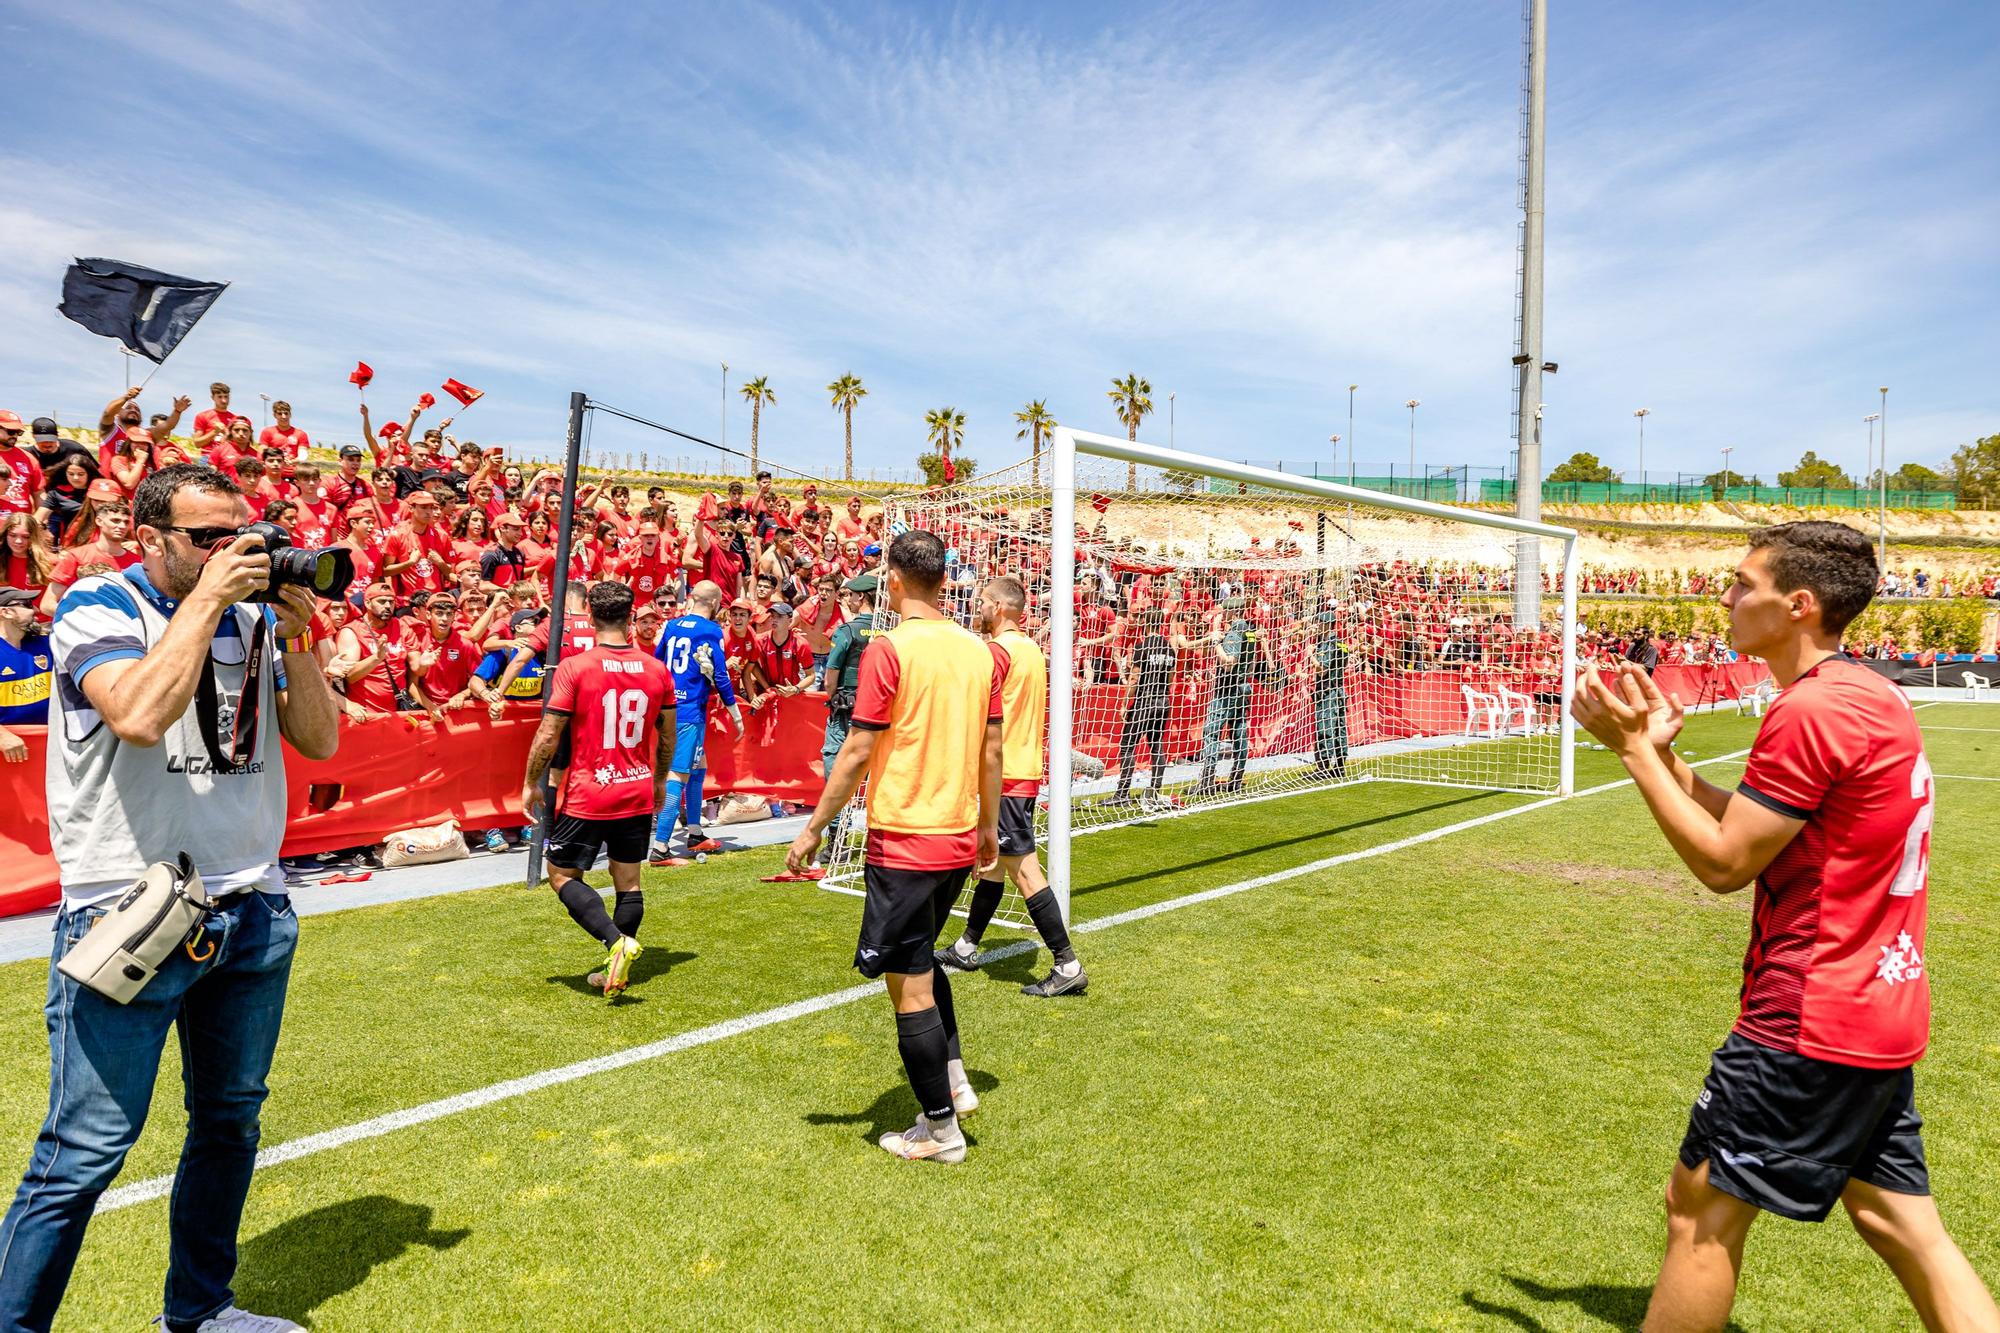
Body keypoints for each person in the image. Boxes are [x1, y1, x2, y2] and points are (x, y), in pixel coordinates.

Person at [1570, 521, 1998, 1331]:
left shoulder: (1812, 710)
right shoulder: (1867, 693)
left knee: (1698, 1211)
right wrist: (1667, 761)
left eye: (1742, 583)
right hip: (1879, 1004)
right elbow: (1770, 832)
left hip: (1810, 1013)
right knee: (1902, 1224)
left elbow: (1728, 863)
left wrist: (1631, 752)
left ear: (1798, 604)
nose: (1726, 597)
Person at [0, 463, 339, 1333]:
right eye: (207, 539)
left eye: (240, 533)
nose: (234, 553)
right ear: (148, 536)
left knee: (230, 1122)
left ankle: (201, 1310)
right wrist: (206, 602)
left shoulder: (256, 616)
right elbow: (141, 715)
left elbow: (319, 739)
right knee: (84, 1149)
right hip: (129, 906)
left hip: (250, 904)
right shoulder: (96, 606)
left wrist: (300, 639)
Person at [786, 530, 1000, 1164]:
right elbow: (991, 750)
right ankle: (955, 1079)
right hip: (959, 833)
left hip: (906, 839)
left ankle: (939, 1131)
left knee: (907, 986)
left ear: (895, 580)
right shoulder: (979, 651)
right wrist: (989, 825)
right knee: (923, 963)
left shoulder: (888, 649)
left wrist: (812, 826)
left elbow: (855, 751)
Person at [519, 581, 673, 1000]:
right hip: (636, 787)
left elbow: (549, 734)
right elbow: (667, 733)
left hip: (590, 791)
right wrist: (659, 779)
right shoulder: (656, 669)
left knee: (561, 874)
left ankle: (615, 943)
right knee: (629, 880)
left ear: (589, 612)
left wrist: (532, 781)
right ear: (631, 614)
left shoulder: (575, 667)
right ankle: (617, 964)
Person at [935, 576, 1087, 997]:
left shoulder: (997, 651)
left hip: (1006, 775)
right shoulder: (1032, 649)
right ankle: (967, 946)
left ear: (999, 606)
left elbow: (975, 711)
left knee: (1024, 871)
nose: (976, 607)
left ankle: (1067, 963)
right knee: (993, 865)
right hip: (1022, 769)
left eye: (982, 601)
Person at [649, 580, 743, 863]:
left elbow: (657, 661)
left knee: (698, 766)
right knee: (678, 774)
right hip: (688, 710)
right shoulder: (712, 631)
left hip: (668, 706)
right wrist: (735, 714)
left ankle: (694, 832)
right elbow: (722, 678)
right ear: (715, 604)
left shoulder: (674, 625)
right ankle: (661, 847)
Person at [815, 574, 879, 859]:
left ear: (860, 598)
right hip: (878, 711)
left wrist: (832, 697)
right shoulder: (887, 631)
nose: (849, 600)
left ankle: (836, 840)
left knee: (836, 768)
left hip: (846, 712)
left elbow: (831, 678)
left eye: (851, 596)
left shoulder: (846, 631)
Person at [1108, 607, 1176, 806]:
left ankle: (1122, 794)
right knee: (1156, 745)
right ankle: (1155, 790)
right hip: (1163, 701)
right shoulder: (1169, 649)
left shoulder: (1141, 646)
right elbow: (1171, 677)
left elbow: (1135, 678)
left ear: (1145, 624)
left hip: (1144, 701)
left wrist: (1124, 704)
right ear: (1162, 624)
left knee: (1128, 745)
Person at [1190, 597, 1254, 795]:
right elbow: (1250, 664)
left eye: (1223, 611)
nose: (1221, 615)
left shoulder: (1236, 631)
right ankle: (1236, 778)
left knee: (1211, 733)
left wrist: (1217, 641)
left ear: (1231, 612)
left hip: (1228, 688)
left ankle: (1207, 782)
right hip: (1243, 686)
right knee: (1239, 732)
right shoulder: (1250, 631)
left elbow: (1228, 662)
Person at [0, 585, 50, 763]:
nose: (35, 610)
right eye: (27, 605)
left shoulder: (46, 644)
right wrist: (2, 736)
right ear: (6, 612)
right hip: (9, 754)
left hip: (47, 748)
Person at [1309, 605, 1351, 780]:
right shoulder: (1342, 643)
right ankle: (1340, 765)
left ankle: (1323, 767)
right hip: (1339, 689)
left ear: (1327, 624)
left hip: (1327, 692)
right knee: (1339, 728)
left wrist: (1310, 655)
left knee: (1325, 727)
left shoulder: (1328, 644)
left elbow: (1322, 669)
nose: (1316, 625)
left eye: (1319, 622)